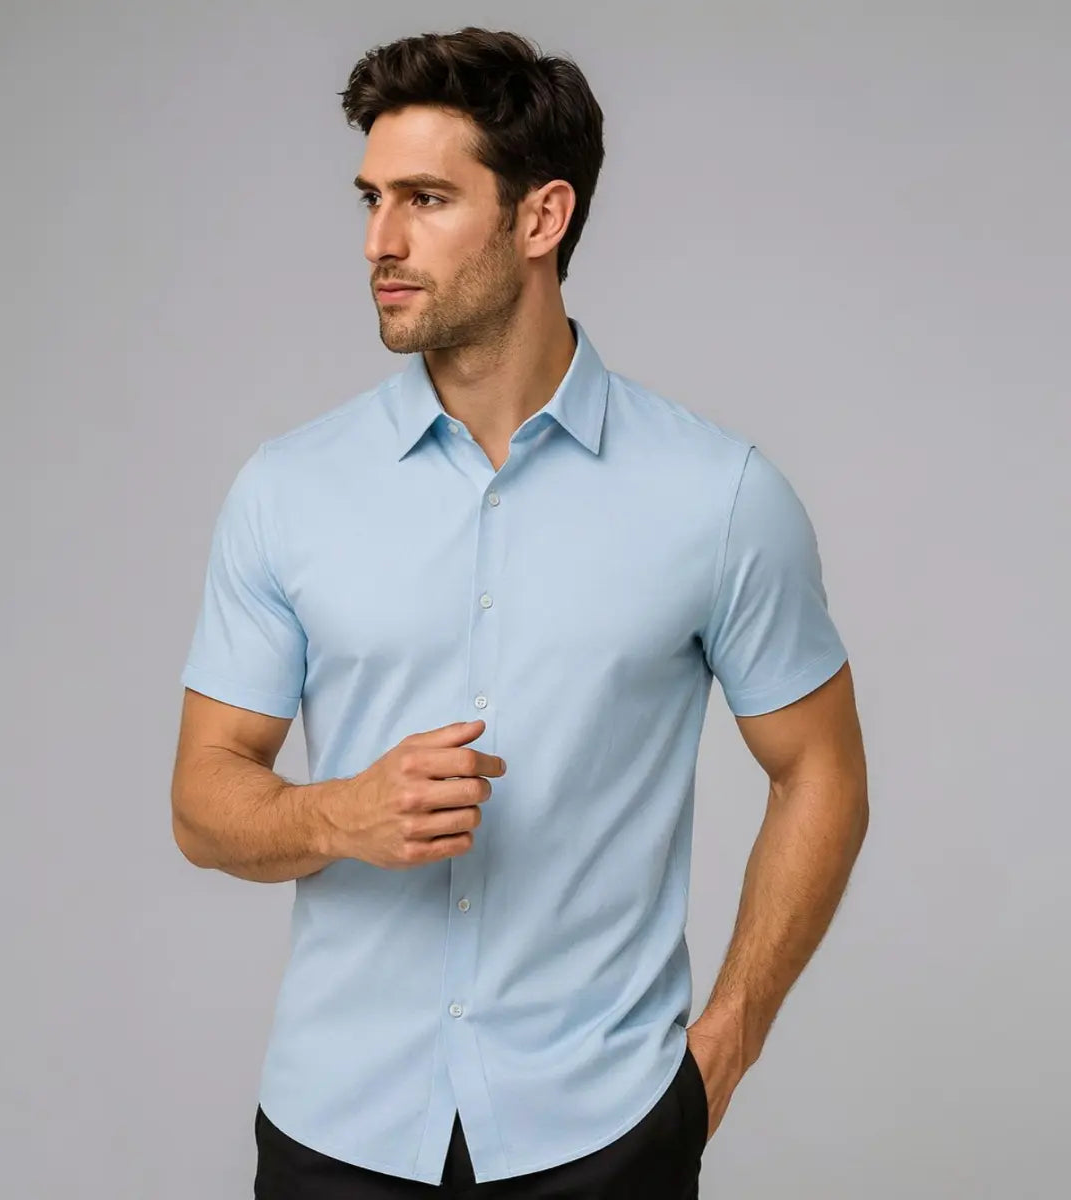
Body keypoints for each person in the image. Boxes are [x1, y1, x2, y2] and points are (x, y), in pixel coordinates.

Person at [171, 24, 868, 1199]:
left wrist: (721, 1050)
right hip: (338, 1128)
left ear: (541, 219)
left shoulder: (718, 496)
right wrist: (339, 814)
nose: (380, 242)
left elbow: (823, 772)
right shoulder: (287, 491)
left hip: (604, 1131)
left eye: (426, 199)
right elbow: (203, 797)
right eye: (372, 200)